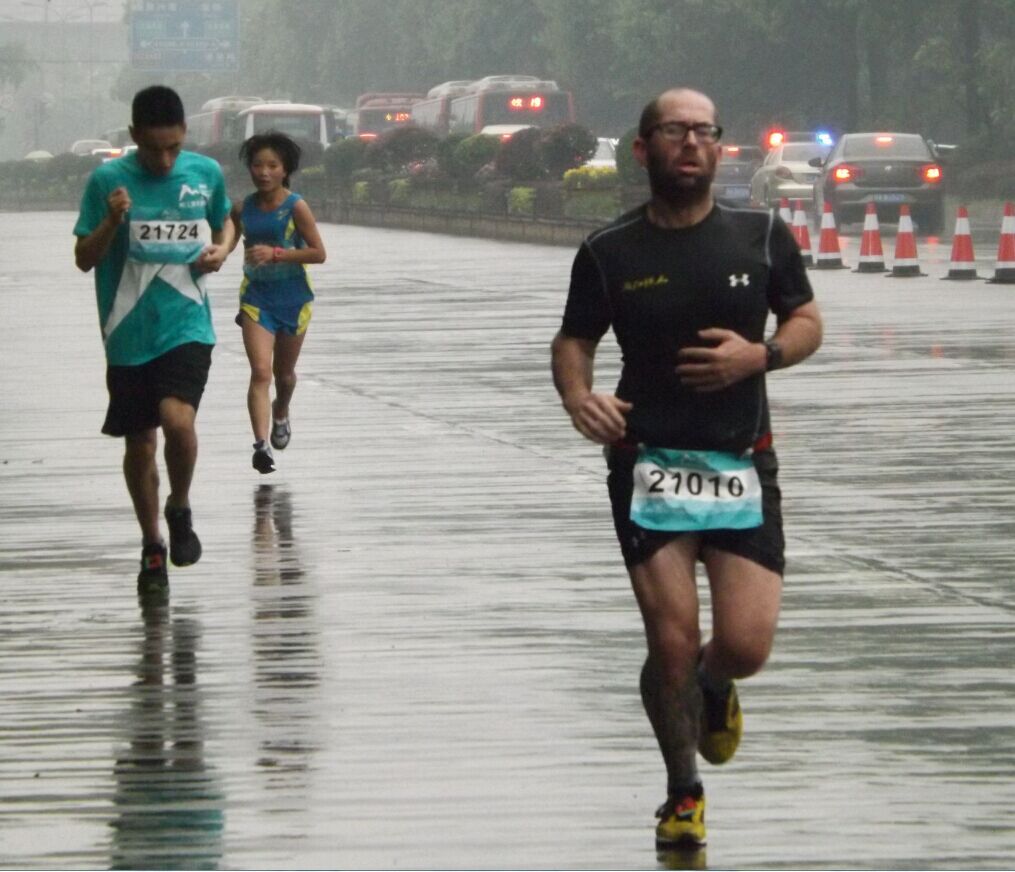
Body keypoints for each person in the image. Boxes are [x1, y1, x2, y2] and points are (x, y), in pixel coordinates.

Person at [550, 88, 822, 849]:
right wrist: (579, 398)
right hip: (647, 464)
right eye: (675, 131)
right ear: (643, 149)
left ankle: (712, 681)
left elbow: (806, 319)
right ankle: (682, 793)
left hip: (741, 461)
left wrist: (760, 355)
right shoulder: (609, 250)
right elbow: (573, 341)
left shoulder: (760, 235)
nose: (692, 143)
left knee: (745, 646)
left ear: (719, 147)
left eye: (705, 131)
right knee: (671, 639)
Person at [74, 85, 234, 589]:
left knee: (177, 420)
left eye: (173, 148)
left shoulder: (205, 173)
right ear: (134, 136)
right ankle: (152, 545)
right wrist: (111, 221)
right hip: (127, 331)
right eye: (152, 149)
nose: (164, 160)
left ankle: (179, 505)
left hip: (188, 323)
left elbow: (226, 222)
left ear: (185, 133)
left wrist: (223, 249)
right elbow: (84, 258)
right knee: (141, 443)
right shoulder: (107, 181)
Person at [228, 132, 326, 474]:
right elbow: (227, 241)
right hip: (256, 300)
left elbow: (318, 253)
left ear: (285, 170)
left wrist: (277, 254)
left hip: (294, 299)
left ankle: (280, 410)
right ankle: (261, 446)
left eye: (272, 165)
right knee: (260, 372)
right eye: (257, 165)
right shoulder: (242, 208)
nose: (264, 172)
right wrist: (212, 255)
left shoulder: (296, 206)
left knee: (283, 376)